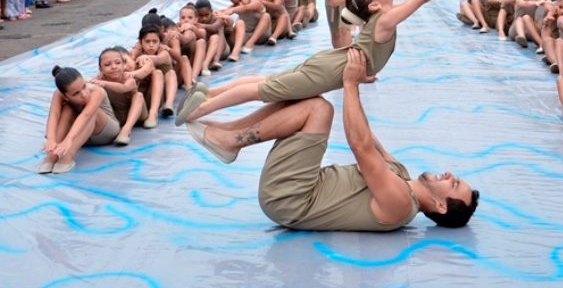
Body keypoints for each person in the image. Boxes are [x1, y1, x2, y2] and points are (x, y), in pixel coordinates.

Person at [183, 49, 479, 231]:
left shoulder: (401, 204)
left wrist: (350, 84)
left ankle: (231, 141)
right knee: (310, 95)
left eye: (453, 184)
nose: (449, 175)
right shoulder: (400, 175)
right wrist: (350, 77)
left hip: (291, 199)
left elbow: (361, 146)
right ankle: (227, 130)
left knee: (319, 108)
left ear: (441, 207)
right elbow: (368, 136)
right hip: (301, 185)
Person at [176, 0, 472, 125]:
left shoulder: (379, 19)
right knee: (261, 90)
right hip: (327, 69)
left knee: (265, 82)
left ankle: (209, 92)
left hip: (329, 64)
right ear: (374, 5)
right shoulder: (384, 20)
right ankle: (201, 108)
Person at [39, 66, 121, 174]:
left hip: (104, 131)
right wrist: (51, 139)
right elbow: (54, 115)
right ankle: (52, 154)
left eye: (84, 86)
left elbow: (86, 115)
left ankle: (68, 156)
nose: (84, 94)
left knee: (92, 110)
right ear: (65, 95)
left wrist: (69, 139)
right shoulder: (58, 95)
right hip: (81, 135)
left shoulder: (96, 90)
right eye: (75, 93)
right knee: (68, 109)